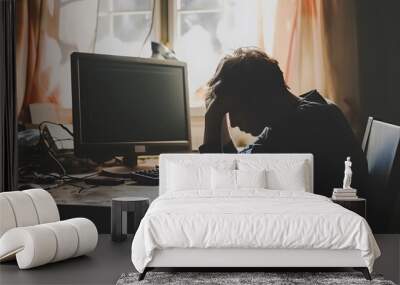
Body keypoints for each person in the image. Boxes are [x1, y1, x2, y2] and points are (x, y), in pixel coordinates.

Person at [199, 47, 368, 197]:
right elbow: (241, 164)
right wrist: (217, 116)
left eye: (234, 110)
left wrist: (212, 120)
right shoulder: (304, 110)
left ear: (256, 98)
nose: (234, 122)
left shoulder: (299, 126)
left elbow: (227, 186)